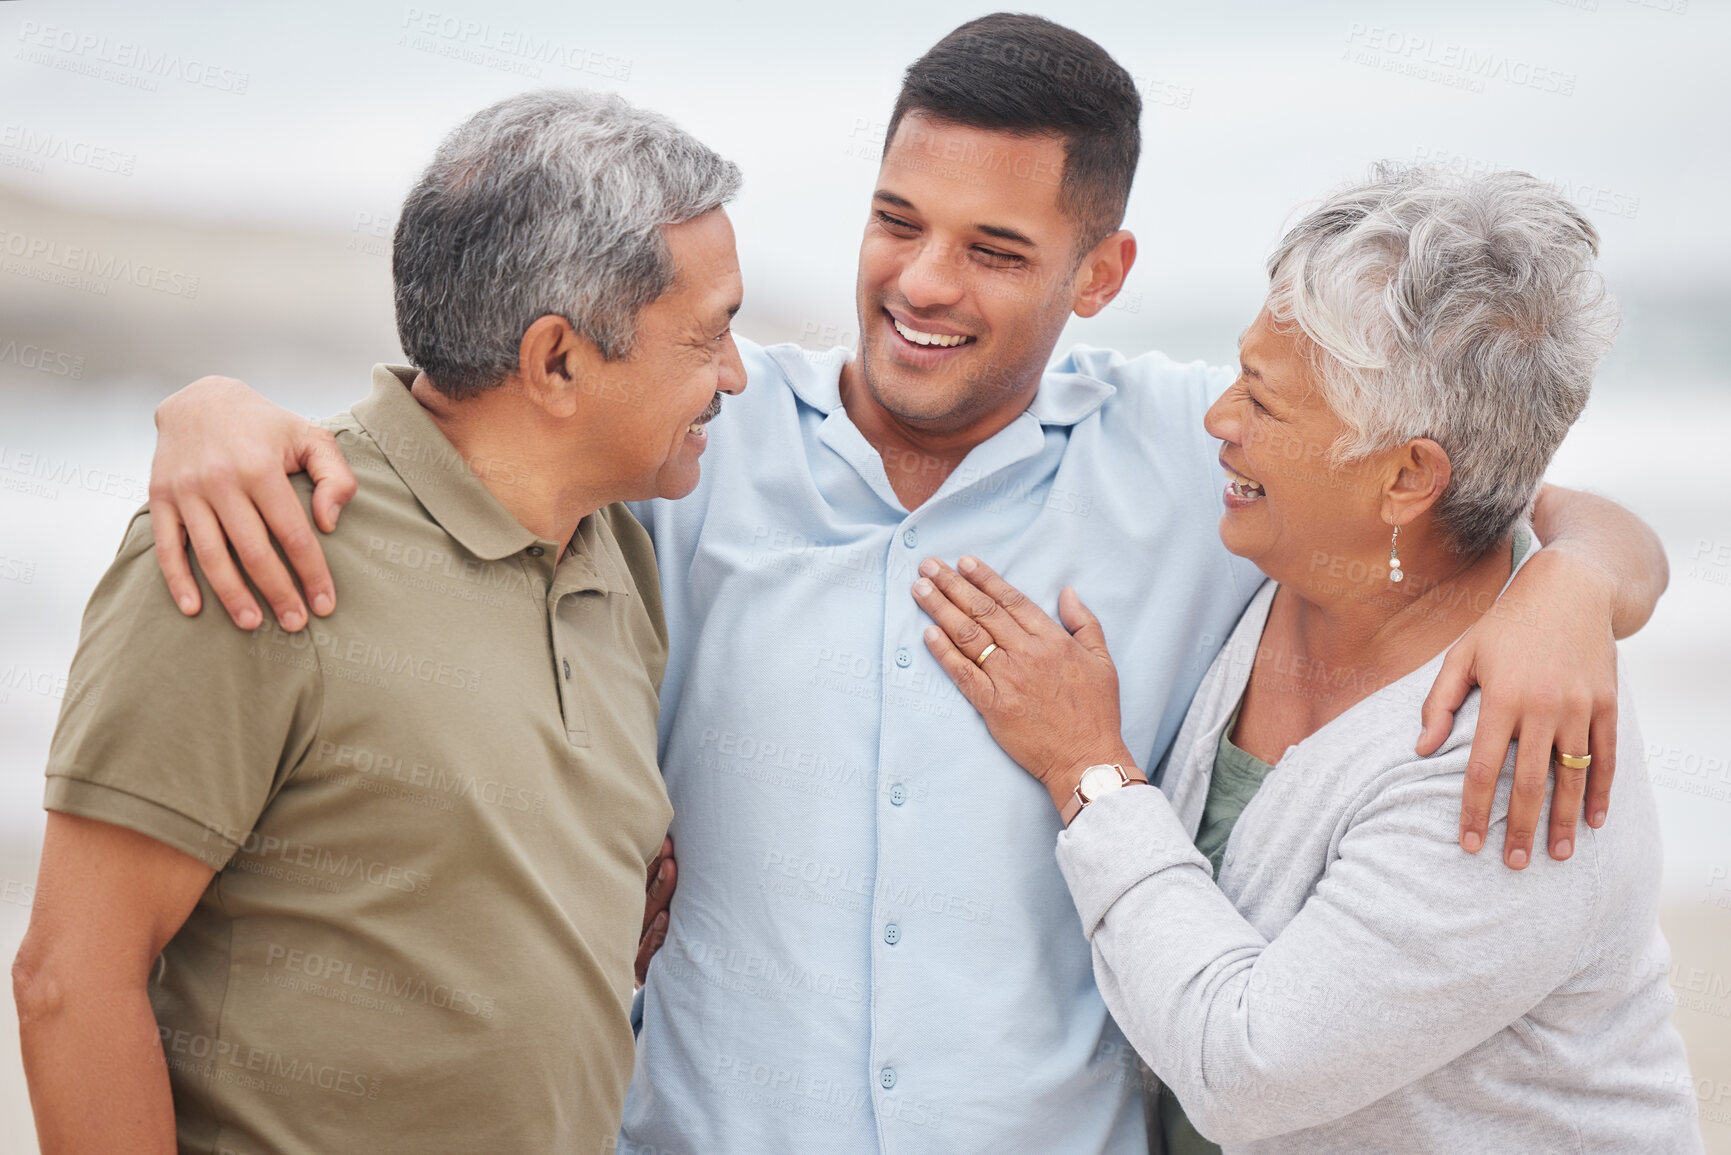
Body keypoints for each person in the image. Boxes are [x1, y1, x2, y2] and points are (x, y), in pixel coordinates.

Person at [138, 16, 1669, 1153]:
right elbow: (470, 429)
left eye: (995, 249)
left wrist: (1571, 581)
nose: (922, 284)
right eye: (895, 221)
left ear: (1103, 270)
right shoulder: (694, 444)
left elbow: (1464, 477)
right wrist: (213, 410)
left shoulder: (1197, 451)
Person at [11, 90, 743, 1155]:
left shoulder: (617, 554)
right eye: (710, 337)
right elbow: (70, 982)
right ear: (556, 361)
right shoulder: (256, 544)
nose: (734, 374)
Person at [912, 167, 1702, 1152]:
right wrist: (1583, 573)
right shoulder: (1305, 554)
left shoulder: (1512, 757)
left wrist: (1089, 770)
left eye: (1264, 405)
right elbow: (1584, 520)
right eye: (1238, 374)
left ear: (1408, 476)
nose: (1219, 422)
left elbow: (1247, 1070)